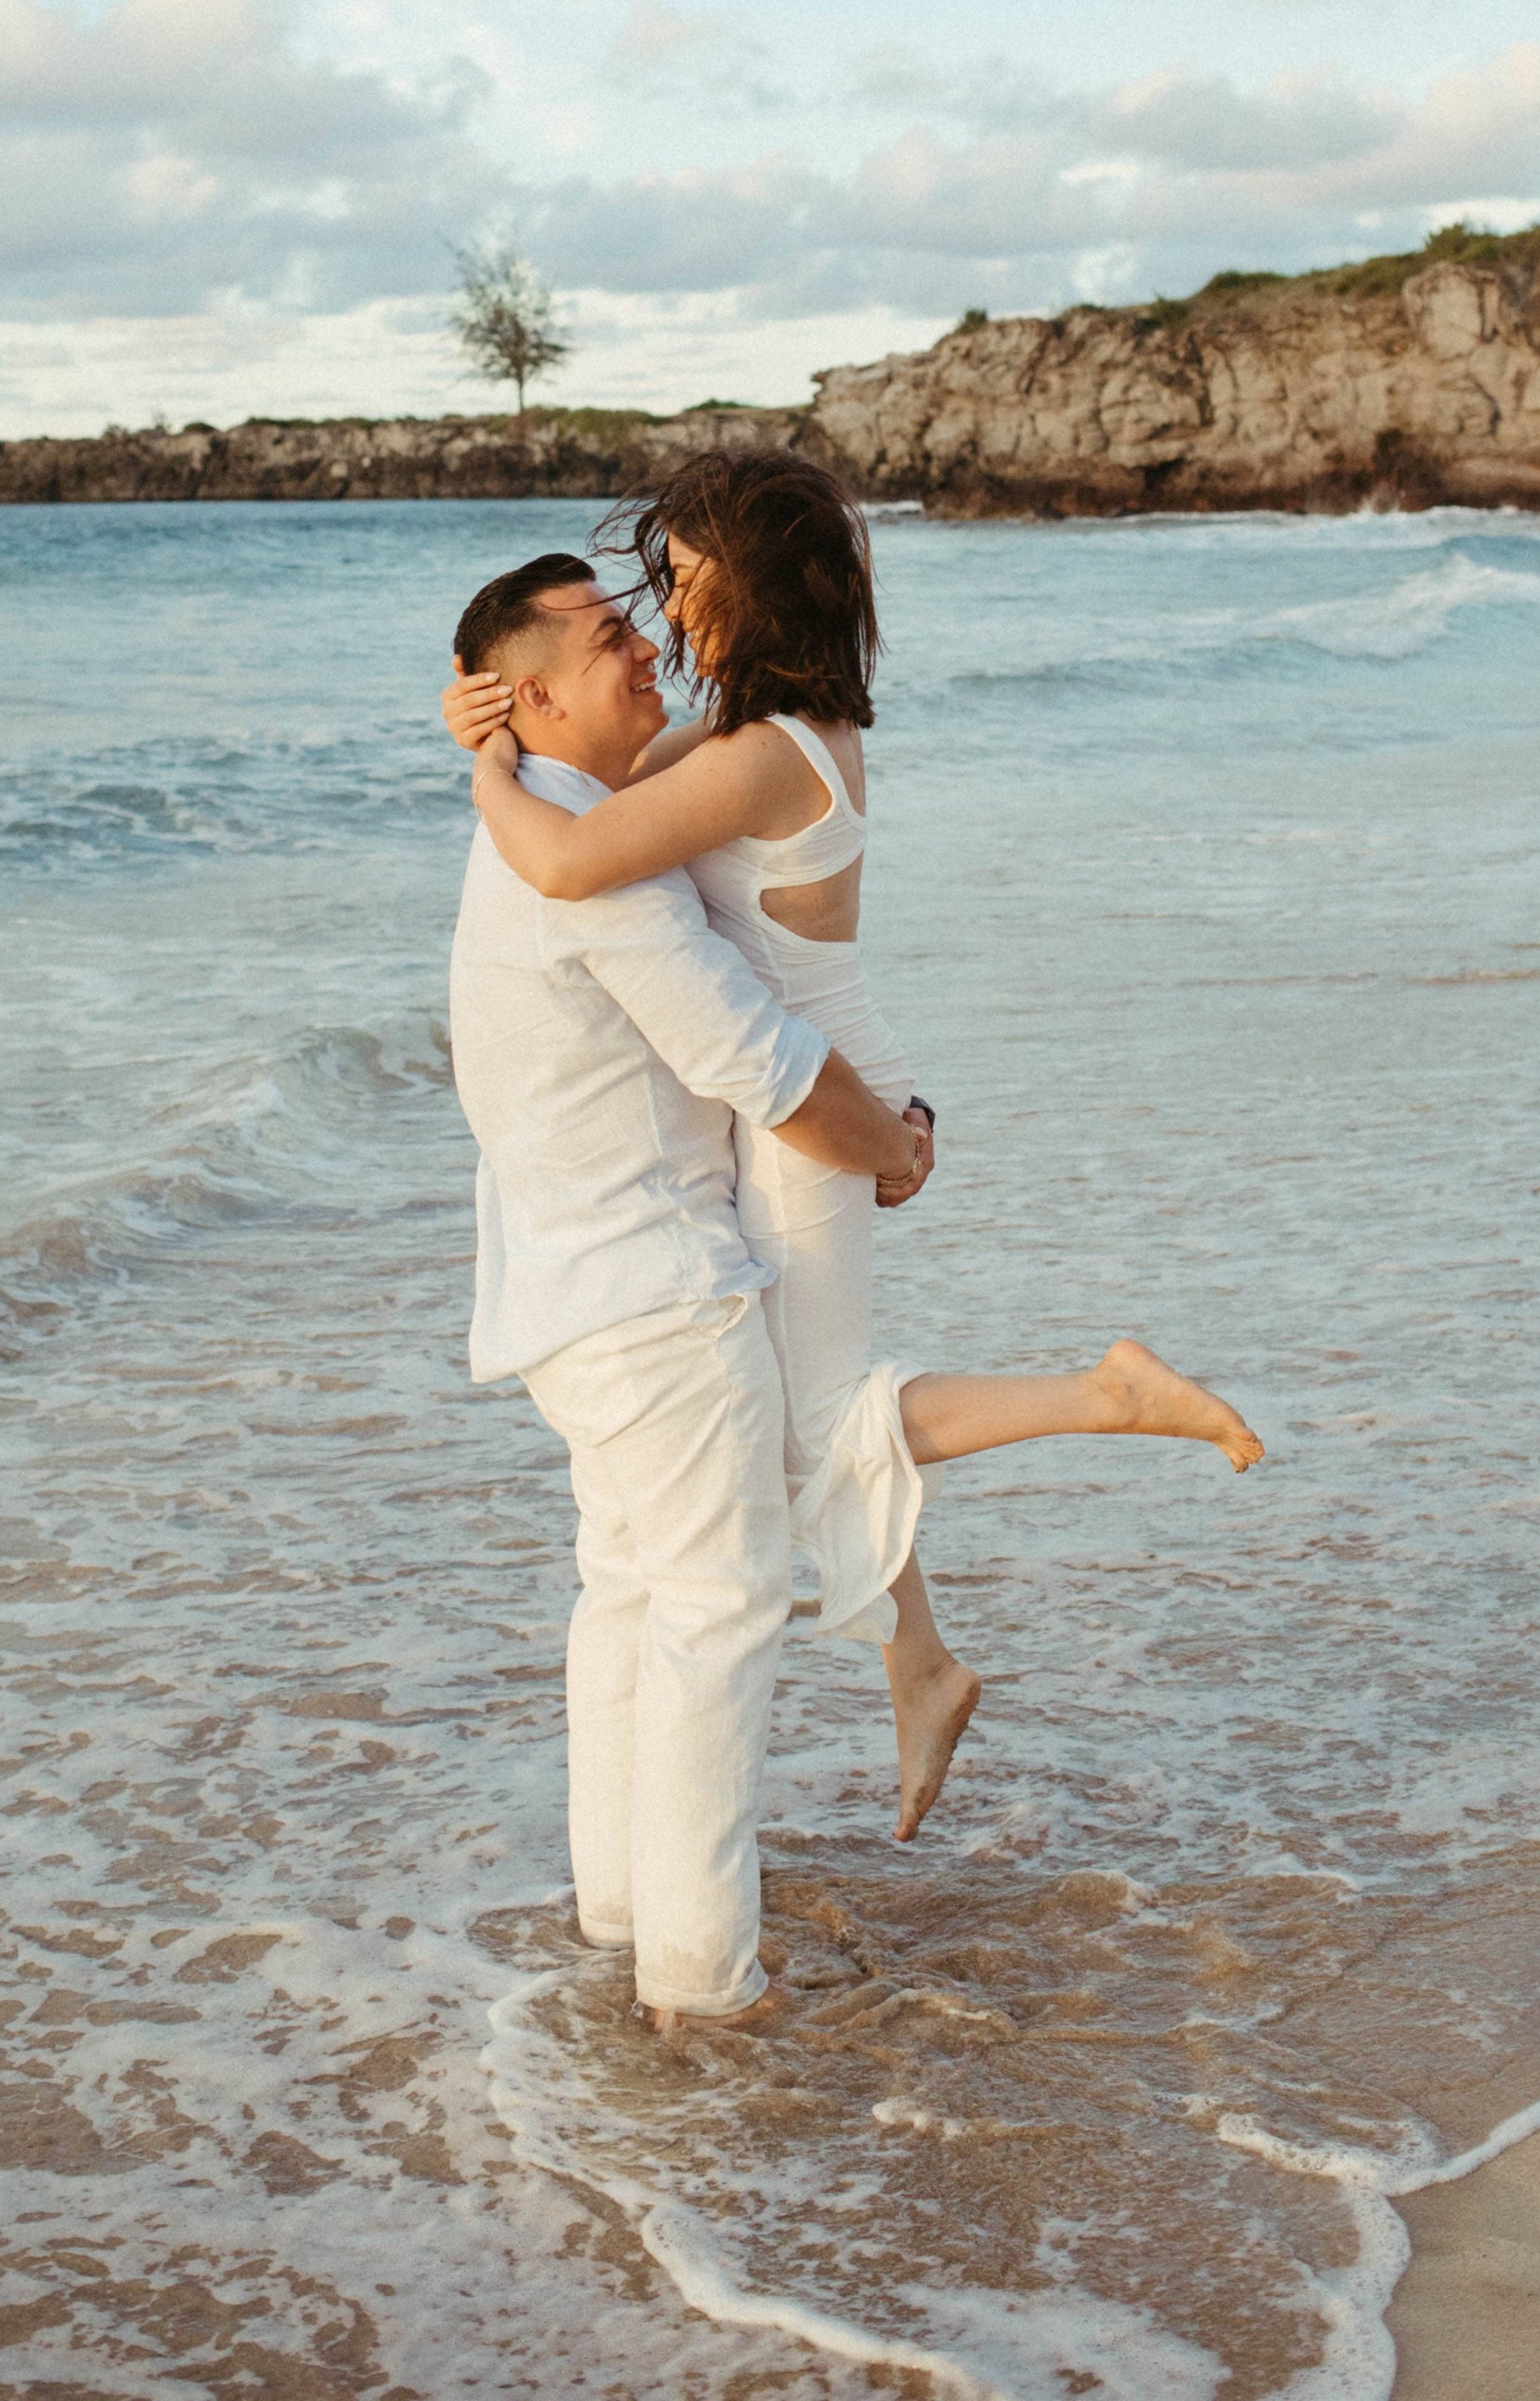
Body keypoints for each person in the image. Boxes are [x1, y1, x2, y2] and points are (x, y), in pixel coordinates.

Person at [445, 453, 1264, 1845]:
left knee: (810, 1427)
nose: (668, 610)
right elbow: (592, 779)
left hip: (812, 1111)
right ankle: (922, 1666)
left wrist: (480, 766)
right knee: (795, 1429)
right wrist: (513, 720)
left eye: (686, 583)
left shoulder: (760, 755)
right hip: (830, 1084)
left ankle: (1105, 1400)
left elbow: (572, 859)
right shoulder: (764, 729)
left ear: (750, 590)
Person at [446, 550, 932, 2032]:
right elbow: (756, 1060)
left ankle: (621, 1918)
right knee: (721, 1611)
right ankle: (707, 1987)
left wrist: (483, 754)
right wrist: (894, 1155)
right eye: (612, 641)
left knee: (632, 1599)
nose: (649, 649)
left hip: (562, 1301)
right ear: (532, 694)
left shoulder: (536, 832)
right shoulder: (596, 863)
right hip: (660, 1301)